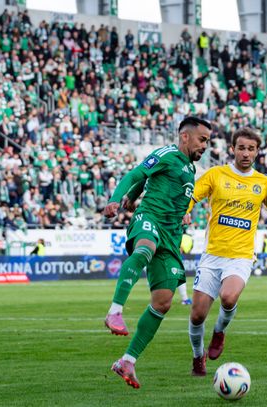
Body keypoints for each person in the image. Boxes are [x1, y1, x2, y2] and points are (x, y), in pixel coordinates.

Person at [102, 117, 211, 388]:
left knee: (163, 302)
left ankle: (127, 361)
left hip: (171, 236)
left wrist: (182, 213)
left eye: (207, 141)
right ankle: (115, 311)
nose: (205, 146)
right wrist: (117, 198)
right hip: (150, 217)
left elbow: (154, 183)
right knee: (144, 249)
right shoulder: (167, 154)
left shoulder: (189, 168)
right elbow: (137, 174)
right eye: (202, 140)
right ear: (185, 136)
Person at [186, 127, 267, 376]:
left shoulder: (263, 183)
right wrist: (185, 211)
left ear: (257, 152)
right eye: (241, 148)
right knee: (197, 316)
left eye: (251, 149)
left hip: (241, 256)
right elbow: (192, 196)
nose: (246, 153)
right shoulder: (216, 174)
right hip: (212, 255)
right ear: (232, 149)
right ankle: (198, 356)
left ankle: (219, 332)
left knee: (229, 298)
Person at [178, 228, 194, 305]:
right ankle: (185, 299)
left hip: (172, 256)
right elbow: (186, 250)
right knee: (180, 276)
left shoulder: (180, 235)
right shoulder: (187, 237)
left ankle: (185, 299)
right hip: (173, 256)